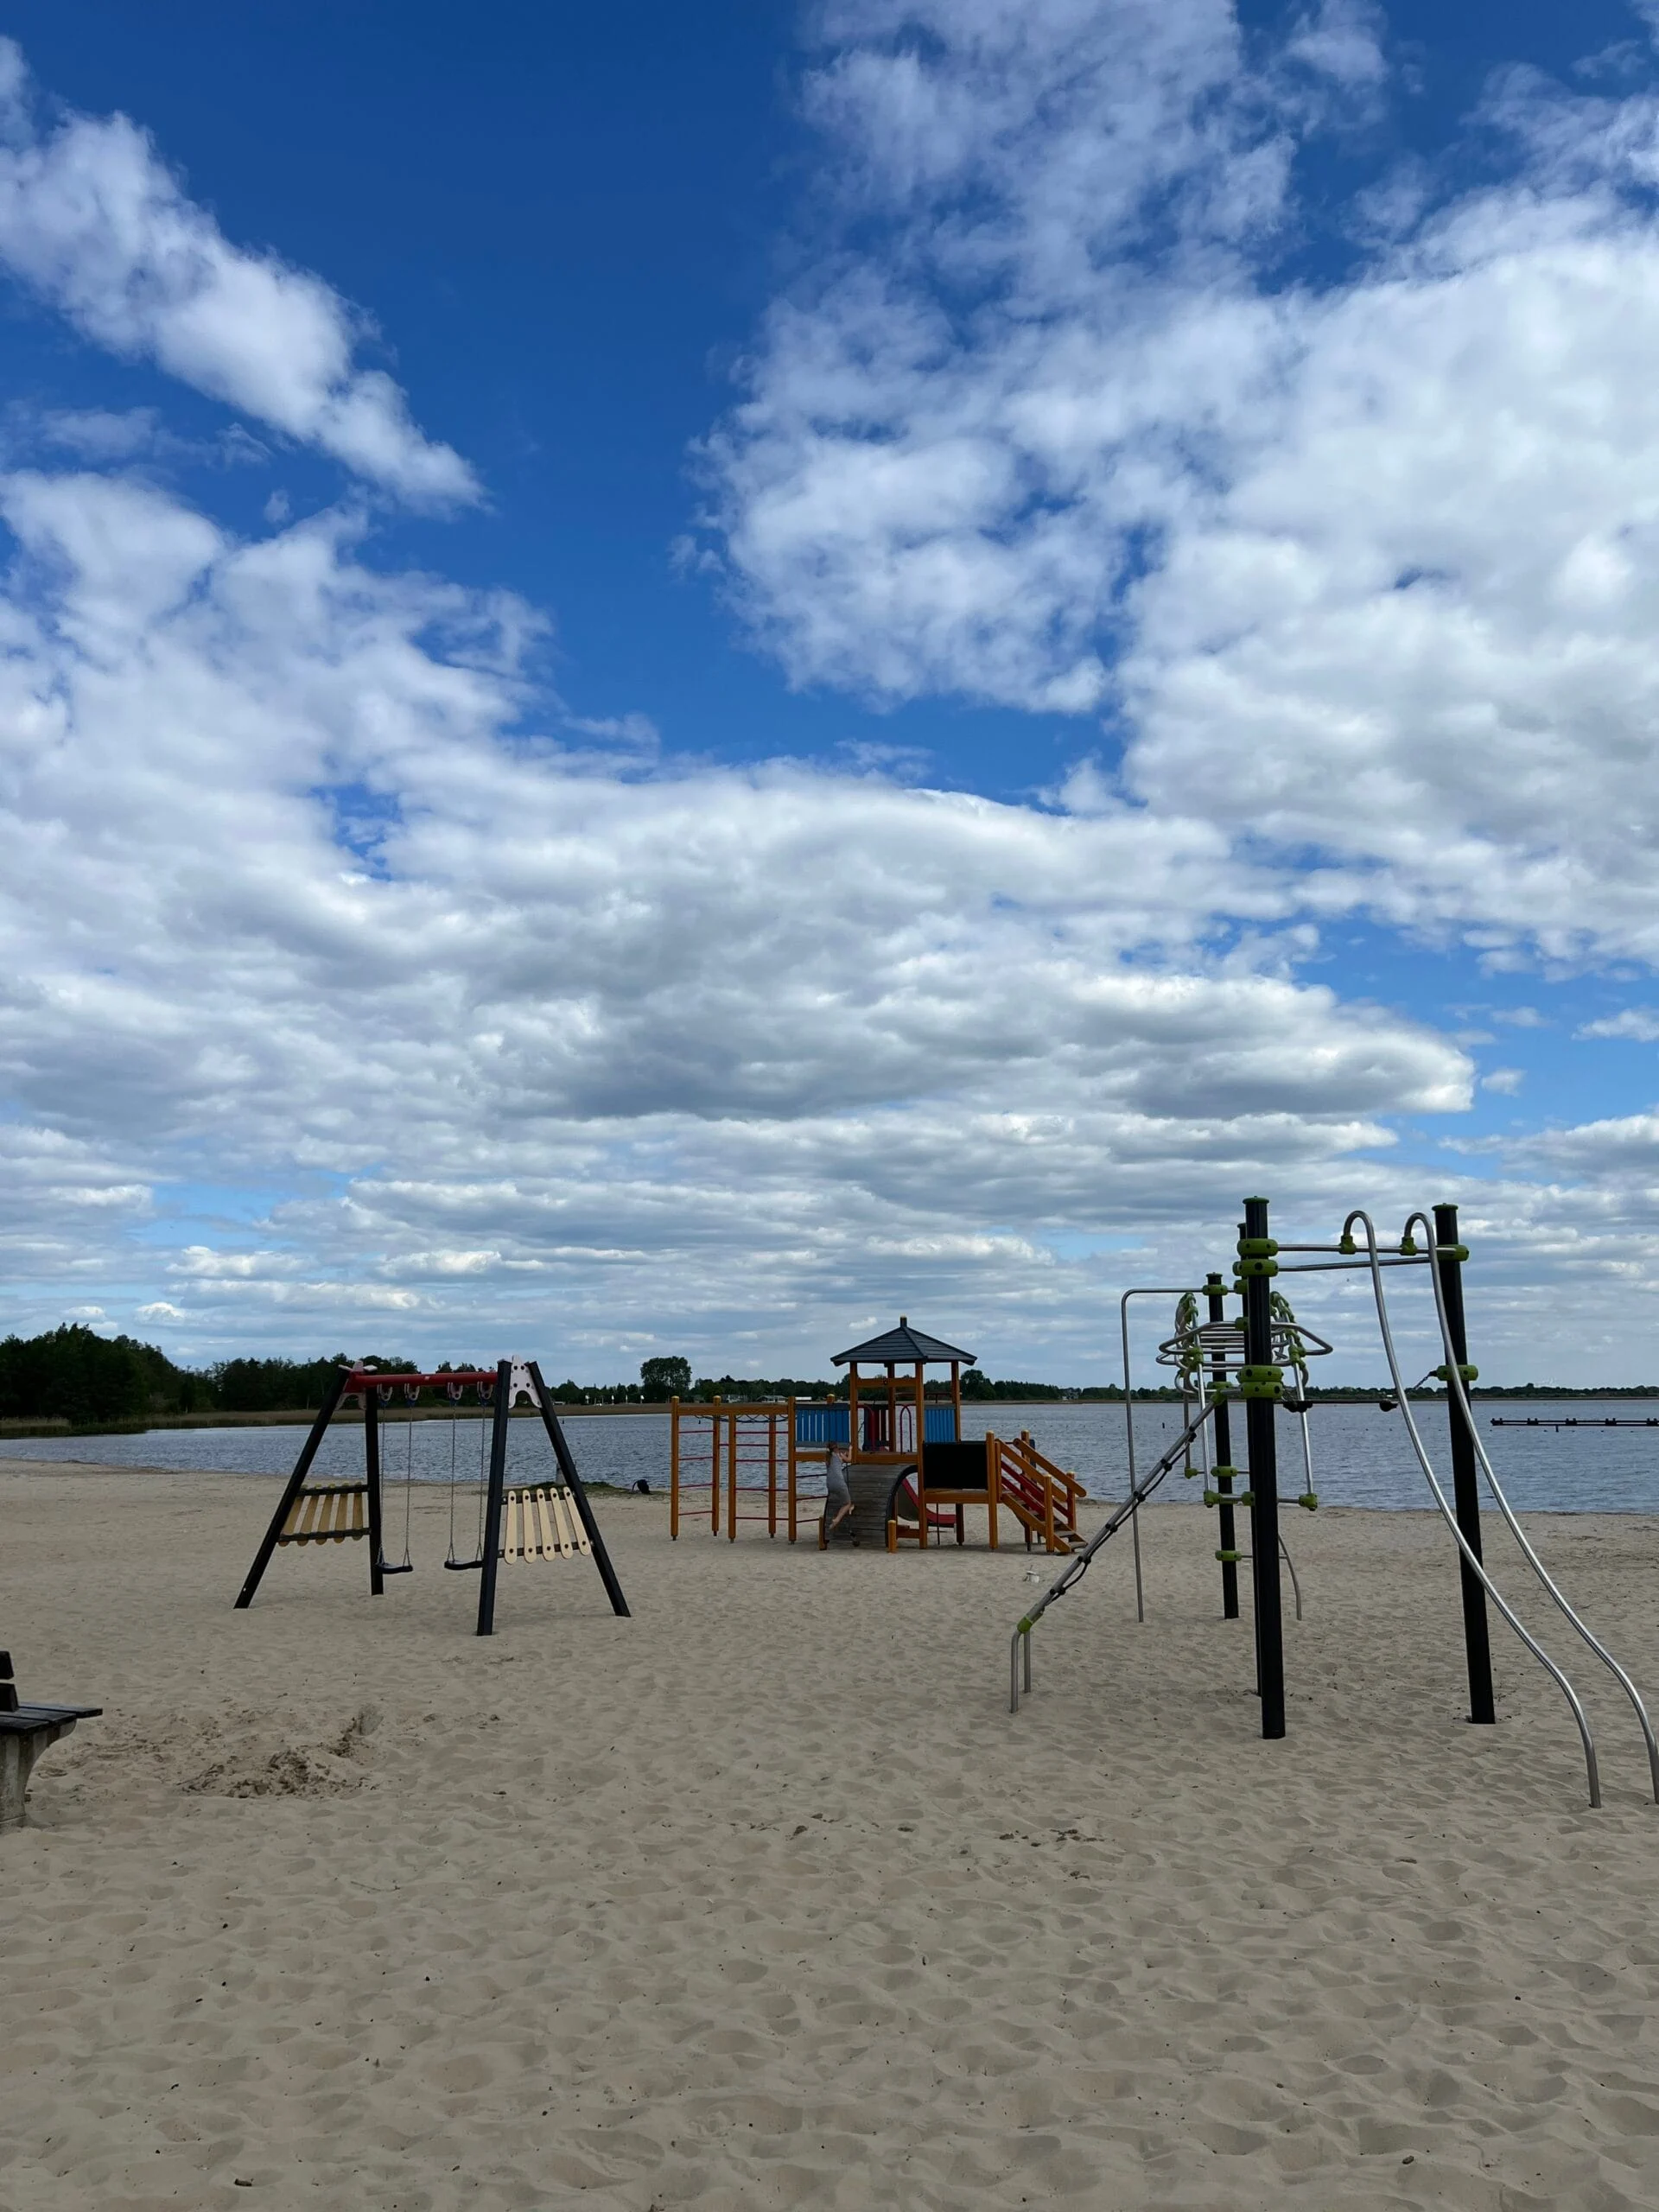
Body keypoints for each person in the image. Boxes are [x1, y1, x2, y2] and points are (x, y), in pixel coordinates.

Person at [823, 1441, 855, 1542]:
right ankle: (837, 1519)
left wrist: (842, 1456)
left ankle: (849, 1509)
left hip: (829, 1484)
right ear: (836, 1448)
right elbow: (849, 1459)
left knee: (844, 1501)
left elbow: (838, 1463)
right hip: (839, 1483)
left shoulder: (827, 1458)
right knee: (847, 1503)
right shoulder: (839, 1455)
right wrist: (850, 1450)